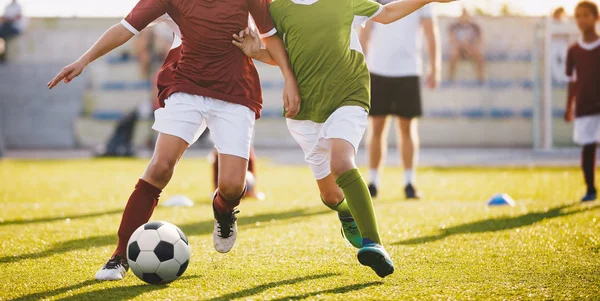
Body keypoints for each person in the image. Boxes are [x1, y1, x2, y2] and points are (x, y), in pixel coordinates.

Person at [48, 0, 300, 281]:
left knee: (232, 186)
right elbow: (125, 28)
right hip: (187, 86)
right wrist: (83, 60)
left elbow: (272, 39)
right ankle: (120, 256)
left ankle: (223, 208)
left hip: (235, 91)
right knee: (160, 168)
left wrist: (289, 78)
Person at [233, 0, 456, 278]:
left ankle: (374, 242)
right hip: (305, 110)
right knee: (330, 196)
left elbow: (387, 14)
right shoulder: (278, 8)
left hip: (348, 95)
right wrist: (256, 52)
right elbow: (279, 54)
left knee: (341, 161)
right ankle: (346, 212)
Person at [359, 1, 441, 199]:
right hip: (377, 68)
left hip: (408, 70)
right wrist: (360, 65)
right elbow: (365, 32)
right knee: (377, 127)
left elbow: (431, 32)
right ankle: (373, 182)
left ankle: (409, 183)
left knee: (407, 127)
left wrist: (435, 67)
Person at [564, 1, 600, 203]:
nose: (581, 20)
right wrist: (569, 106)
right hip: (584, 107)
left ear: (596, 17)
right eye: (577, 16)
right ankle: (591, 189)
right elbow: (572, 82)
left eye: (585, 15)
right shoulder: (573, 51)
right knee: (588, 149)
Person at [448, 8, 484, 83]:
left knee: (479, 56)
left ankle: (481, 79)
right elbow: (452, 40)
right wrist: (463, 45)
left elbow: (479, 40)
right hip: (459, 49)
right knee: (453, 54)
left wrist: (470, 46)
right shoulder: (454, 26)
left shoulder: (475, 26)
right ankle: (450, 78)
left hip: (471, 48)